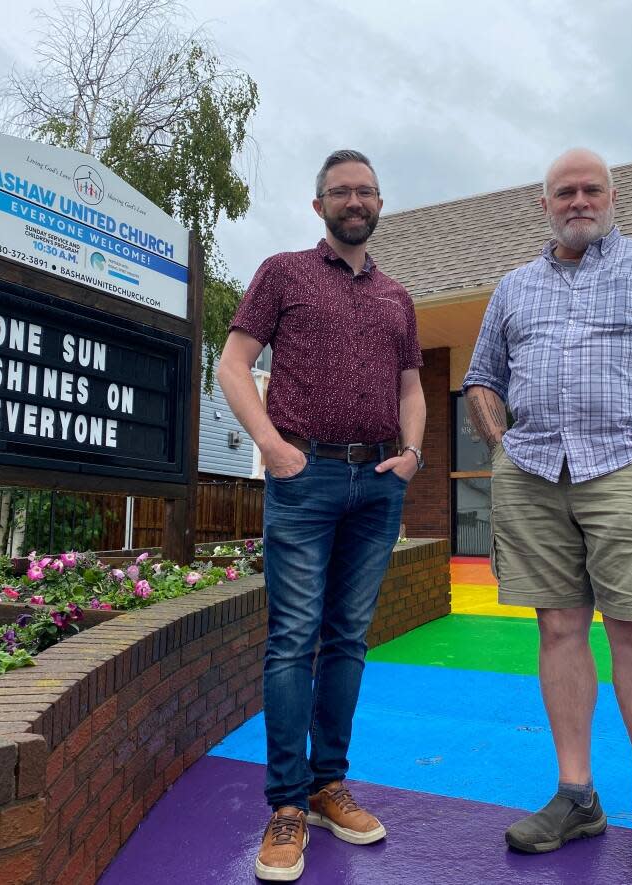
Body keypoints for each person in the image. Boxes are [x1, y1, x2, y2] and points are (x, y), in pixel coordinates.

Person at [462, 148, 632, 885]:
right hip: (535, 472)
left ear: (613, 195)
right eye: (564, 191)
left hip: (629, 467)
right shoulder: (514, 287)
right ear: (543, 203)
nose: (578, 200)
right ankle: (577, 795)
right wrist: (501, 448)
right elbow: (481, 377)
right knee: (557, 627)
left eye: (590, 189)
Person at [217, 149, 426, 882]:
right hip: (302, 478)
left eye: (366, 189)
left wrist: (412, 453)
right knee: (292, 639)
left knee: (347, 640)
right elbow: (232, 362)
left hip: (376, 483)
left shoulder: (398, 298)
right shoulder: (283, 272)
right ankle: (286, 804)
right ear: (319, 207)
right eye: (341, 190)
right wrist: (271, 446)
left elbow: (411, 387)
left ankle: (328, 780)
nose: (355, 200)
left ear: (379, 202)